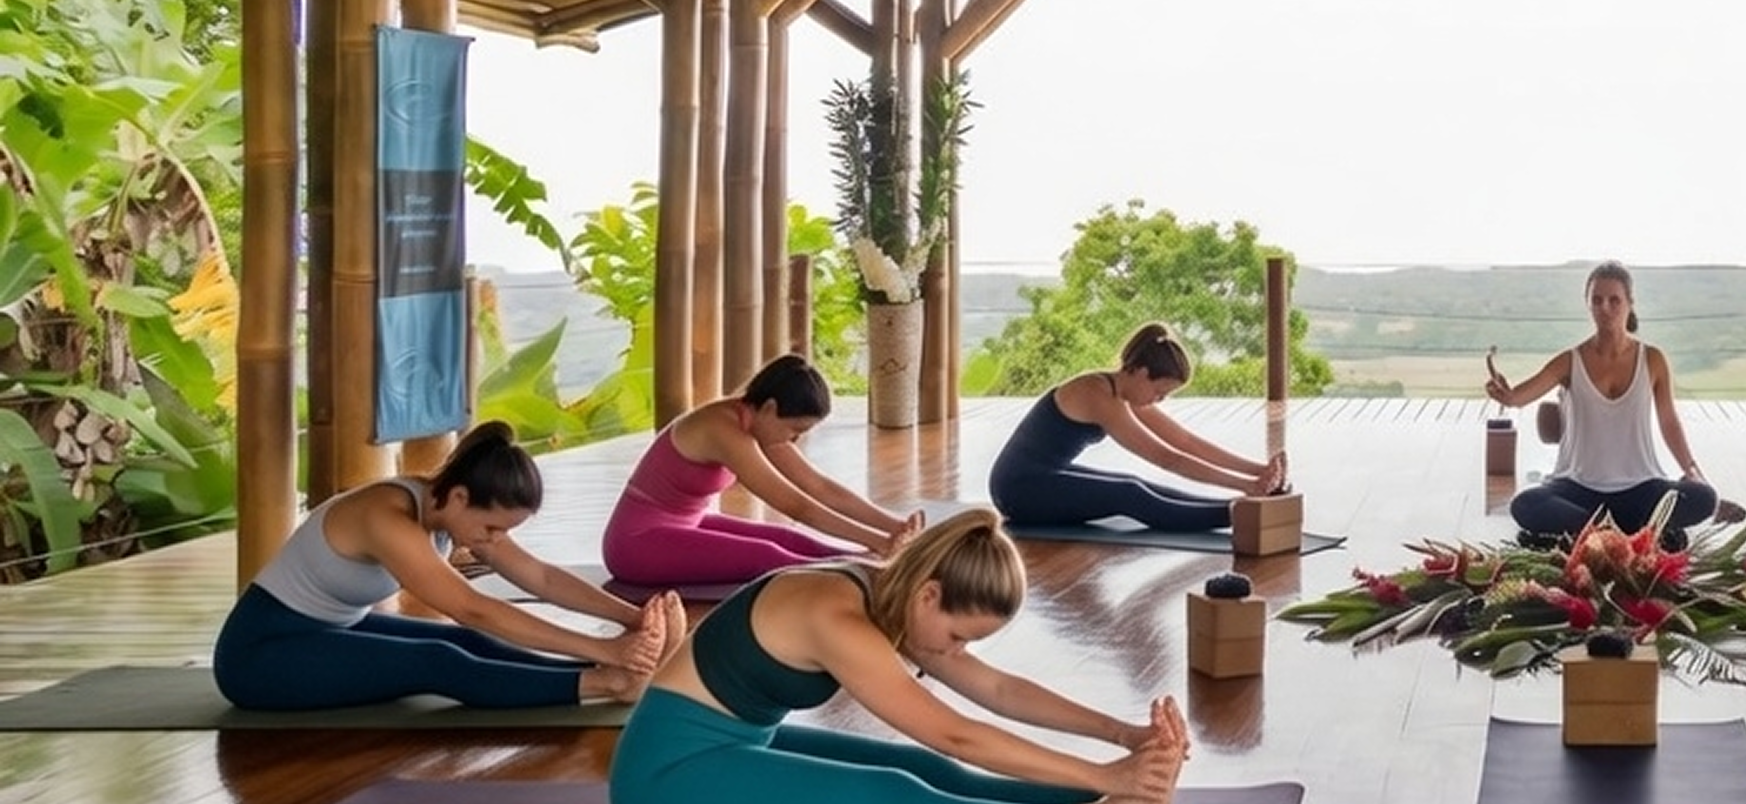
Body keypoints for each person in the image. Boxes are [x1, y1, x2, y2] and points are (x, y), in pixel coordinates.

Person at [610, 508, 1189, 804]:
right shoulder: (835, 614)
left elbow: (998, 690)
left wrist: (1124, 740)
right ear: (930, 593)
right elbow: (956, 733)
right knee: (892, 794)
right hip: (664, 778)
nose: (956, 653)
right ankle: (1108, 793)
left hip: (736, 745)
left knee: (926, 772)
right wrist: (1105, 770)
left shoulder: (895, 597)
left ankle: (1099, 800)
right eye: (959, 636)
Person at [215, 423, 682, 711]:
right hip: (260, 655)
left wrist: (632, 618)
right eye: (493, 529)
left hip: (332, 631)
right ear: (460, 497)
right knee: (438, 660)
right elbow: (471, 606)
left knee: (466, 643)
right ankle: (606, 682)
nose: (494, 541)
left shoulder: (450, 511)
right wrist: (607, 652)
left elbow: (538, 576)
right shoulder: (387, 516)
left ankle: (603, 674)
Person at [603, 355, 923, 587]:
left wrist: (895, 528)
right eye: (794, 429)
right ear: (770, 408)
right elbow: (796, 506)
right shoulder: (723, 429)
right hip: (637, 543)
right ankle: (870, 569)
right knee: (768, 555)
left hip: (687, 524)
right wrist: (879, 543)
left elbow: (818, 487)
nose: (795, 439)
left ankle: (868, 563)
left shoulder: (757, 422)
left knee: (789, 539)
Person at [1484, 261, 1742, 542]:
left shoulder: (1653, 359)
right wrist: (1505, 395)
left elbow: (1669, 421)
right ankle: (1628, 533)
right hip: (1577, 488)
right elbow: (1519, 397)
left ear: (1630, 303)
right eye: (1596, 300)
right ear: (1588, 305)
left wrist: (1692, 470)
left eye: (1614, 300)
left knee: (1703, 497)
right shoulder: (1570, 360)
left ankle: (1600, 534)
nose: (1605, 307)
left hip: (1640, 486)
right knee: (1525, 505)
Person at [990, 321, 1289, 532]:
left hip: (1042, 475)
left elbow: (1184, 441)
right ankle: (1242, 514)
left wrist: (1258, 471)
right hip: (1017, 490)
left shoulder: (1123, 392)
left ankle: (1241, 508)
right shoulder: (1097, 395)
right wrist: (1247, 488)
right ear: (1142, 373)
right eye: (1160, 392)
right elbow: (1168, 458)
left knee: (1133, 482)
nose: (1158, 400)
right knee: (1128, 493)